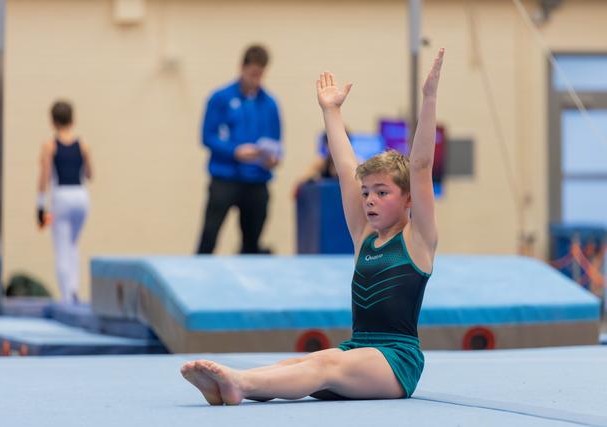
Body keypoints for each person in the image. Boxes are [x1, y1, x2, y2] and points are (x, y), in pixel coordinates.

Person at [181, 48, 445, 404]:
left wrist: (429, 99)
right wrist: (330, 111)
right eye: (367, 192)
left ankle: (239, 383)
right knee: (310, 360)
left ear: (408, 199)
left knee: (326, 364)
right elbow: (345, 164)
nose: (369, 200)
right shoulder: (364, 237)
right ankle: (233, 384)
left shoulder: (418, 241)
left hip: (396, 360)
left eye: (382, 192)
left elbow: (422, 165)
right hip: (358, 351)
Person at [196, 44, 282, 254]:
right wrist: (234, 151)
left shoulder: (269, 104)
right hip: (225, 178)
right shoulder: (221, 98)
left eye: (260, 74)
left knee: (252, 242)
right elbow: (207, 136)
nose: (256, 79)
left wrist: (273, 158)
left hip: (256, 180)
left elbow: (277, 143)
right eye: (252, 73)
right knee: (209, 235)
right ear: (242, 68)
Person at [37, 100, 92, 304]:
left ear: (52, 122)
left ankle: (66, 297)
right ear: (73, 120)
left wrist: (40, 205)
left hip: (61, 196)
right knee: (73, 245)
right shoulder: (83, 144)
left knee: (62, 246)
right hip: (82, 197)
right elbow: (90, 173)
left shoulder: (50, 146)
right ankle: (74, 288)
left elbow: (44, 176)